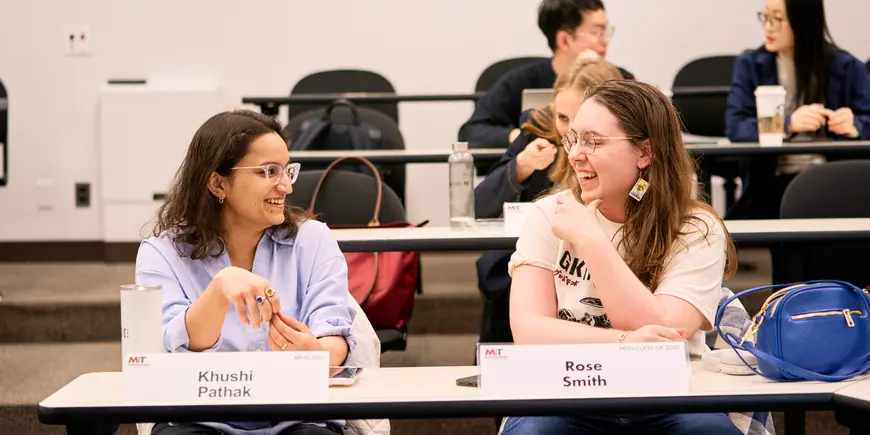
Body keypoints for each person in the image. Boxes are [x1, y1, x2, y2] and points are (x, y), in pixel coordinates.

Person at [501, 80, 742, 434]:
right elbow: (529, 329)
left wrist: (591, 240)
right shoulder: (550, 214)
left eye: (593, 141)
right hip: (568, 389)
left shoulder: (695, 228)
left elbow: (667, 337)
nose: (575, 154)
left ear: (645, 152)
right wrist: (624, 343)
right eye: (573, 138)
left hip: (667, 395)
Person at [135, 109, 358, 435]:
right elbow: (174, 344)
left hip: (297, 417)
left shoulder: (313, 240)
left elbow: (335, 335)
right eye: (269, 171)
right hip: (203, 419)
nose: (286, 187)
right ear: (217, 183)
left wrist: (316, 353)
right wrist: (220, 287)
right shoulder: (162, 253)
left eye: (287, 171)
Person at [473, 58, 623, 348]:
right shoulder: (539, 130)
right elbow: (478, 206)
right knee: (514, 283)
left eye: (579, 120)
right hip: (534, 259)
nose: (569, 131)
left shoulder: (622, 147)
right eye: (562, 117)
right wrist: (519, 167)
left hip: (609, 257)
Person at [724, 0, 870, 219]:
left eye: (778, 19)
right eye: (765, 16)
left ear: (804, 22)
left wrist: (854, 125)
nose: (768, 26)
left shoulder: (846, 66)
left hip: (832, 178)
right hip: (772, 181)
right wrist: (788, 123)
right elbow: (736, 127)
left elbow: (866, 118)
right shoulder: (751, 65)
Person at [457, 0, 634, 157]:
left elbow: (644, 131)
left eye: (606, 31)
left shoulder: (621, 79)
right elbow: (471, 133)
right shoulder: (519, 80)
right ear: (564, 40)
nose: (606, 41)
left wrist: (601, 77)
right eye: (597, 33)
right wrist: (521, 137)